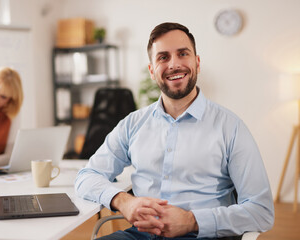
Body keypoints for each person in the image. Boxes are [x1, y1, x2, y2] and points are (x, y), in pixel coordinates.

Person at [75, 22, 274, 239]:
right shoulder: (133, 124)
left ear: (197, 62)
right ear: (152, 71)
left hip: (203, 235)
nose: (174, 64)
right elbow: (87, 176)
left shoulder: (230, 127)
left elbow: (261, 211)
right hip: (141, 235)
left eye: (183, 54)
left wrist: (192, 221)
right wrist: (124, 201)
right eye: (163, 57)